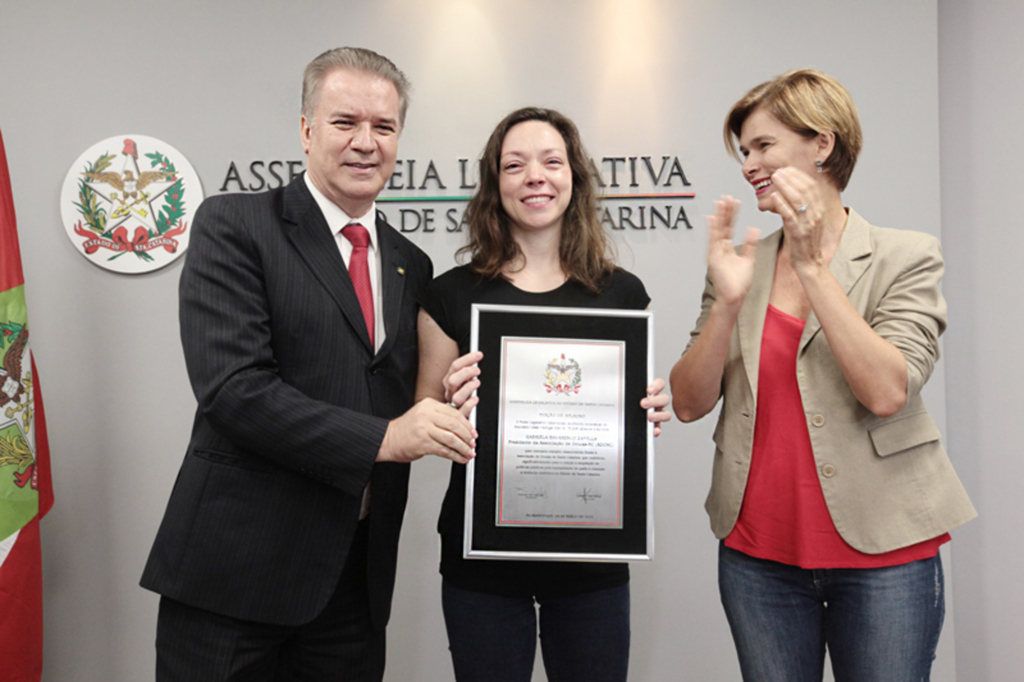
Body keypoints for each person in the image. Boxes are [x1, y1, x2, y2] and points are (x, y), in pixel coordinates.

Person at [140, 47, 476, 682]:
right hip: (236, 577)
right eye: (345, 121)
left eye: (384, 127)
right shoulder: (235, 224)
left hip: (353, 580)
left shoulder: (412, 263)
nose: (365, 142)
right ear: (306, 129)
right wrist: (386, 437)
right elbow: (234, 390)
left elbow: (406, 395)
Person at [670, 69, 976, 681]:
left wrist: (813, 269)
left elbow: (888, 391)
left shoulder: (906, 255)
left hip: (885, 553)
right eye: (744, 152)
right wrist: (727, 306)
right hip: (757, 555)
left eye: (763, 146)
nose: (749, 164)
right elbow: (687, 401)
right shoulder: (741, 265)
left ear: (822, 144)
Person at [417, 107, 671, 682]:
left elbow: (627, 415)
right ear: (494, 184)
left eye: (552, 162)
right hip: (482, 559)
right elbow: (420, 419)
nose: (536, 176)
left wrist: (648, 410)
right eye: (515, 165)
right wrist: (448, 408)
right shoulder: (450, 295)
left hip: (591, 557)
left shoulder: (622, 294)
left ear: (574, 179)